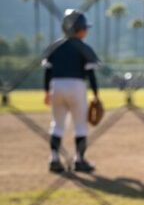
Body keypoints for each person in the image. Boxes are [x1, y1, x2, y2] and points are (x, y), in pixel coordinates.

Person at [43, 10, 102, 173]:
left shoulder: (55, 47)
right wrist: (96, 95)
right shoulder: (83, 48)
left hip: (56, 86)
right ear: (79, 29)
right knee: (80, 125)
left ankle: (54, 159)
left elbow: (47, 71)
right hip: (76, 86)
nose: (87, 31)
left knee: (57, 125)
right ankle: (79, 159)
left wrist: (47, 91)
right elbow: (90, 74)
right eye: (85, 28)